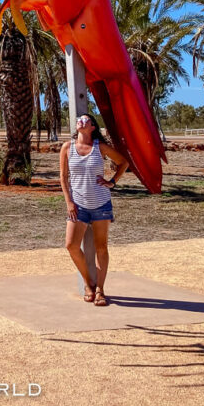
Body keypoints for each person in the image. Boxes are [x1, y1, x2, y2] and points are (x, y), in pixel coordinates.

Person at [60, 113, 129, 306]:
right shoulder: (67, 147)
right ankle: (88, 283)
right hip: (78, 206)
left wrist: (112, 182)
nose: (81, 122)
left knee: (101, 247)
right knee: (71, 245)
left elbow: (124, 163)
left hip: (101, 205)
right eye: (79, 120)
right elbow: (63, 178)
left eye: (86, 120)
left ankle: (100, 290)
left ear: (92, 127)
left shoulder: (101, 147)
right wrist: (69, 202)